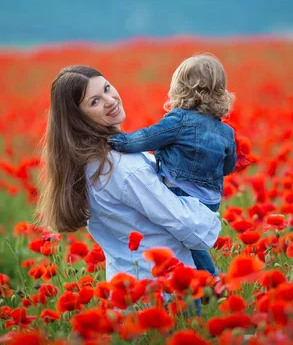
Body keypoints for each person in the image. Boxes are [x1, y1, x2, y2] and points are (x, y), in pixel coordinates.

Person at [35, 65, 221, 283]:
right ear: (78, 118)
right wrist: (208, 194)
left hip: (129, 288)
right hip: (166, 290)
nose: (110, 100)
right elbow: (186, 225)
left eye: (106, 88)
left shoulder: (86, 162)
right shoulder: (123, 168)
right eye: (94, 101)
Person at [107, 54, 236, 277]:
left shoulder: (179, 120)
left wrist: (117, 142)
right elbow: (228, 167)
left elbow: (147, 139)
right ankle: (210, 277)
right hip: (210, 202)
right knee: (191, 241)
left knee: (175, 234)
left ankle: (205, 277)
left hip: (181, 193)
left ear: (180, 89)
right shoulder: (227, 131)